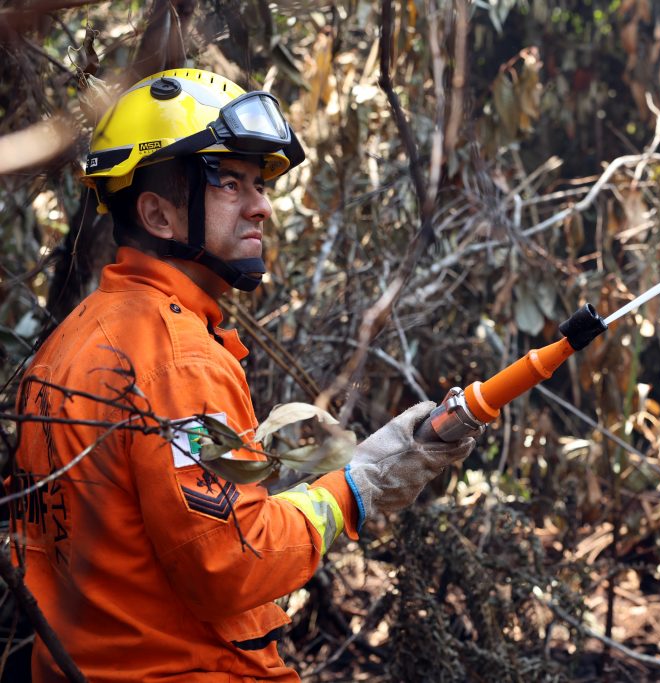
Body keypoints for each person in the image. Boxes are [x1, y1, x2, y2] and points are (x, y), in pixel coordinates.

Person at [13, 68, 475, 682]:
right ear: (157, 214)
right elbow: (234, 562)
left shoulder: (68, 342)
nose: (261, 205)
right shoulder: (177, 362)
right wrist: (358, 486)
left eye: (258, 184)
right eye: (229, 183)